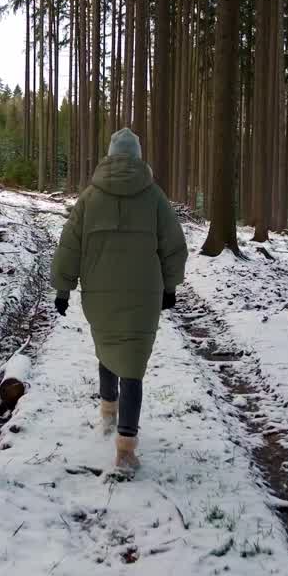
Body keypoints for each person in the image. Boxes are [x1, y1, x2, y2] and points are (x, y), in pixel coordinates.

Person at [51, 127, 188, 472]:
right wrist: (170, 287)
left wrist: (63, 289)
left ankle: (107, 414)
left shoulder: (89, 197)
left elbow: (70, 246)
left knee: (108, 348)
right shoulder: (154, 197)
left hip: (98, 293)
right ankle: (125, 449)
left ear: (110, 157)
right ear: (138, 158)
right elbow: (173, 246)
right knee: (133, 365)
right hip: (144, 295)